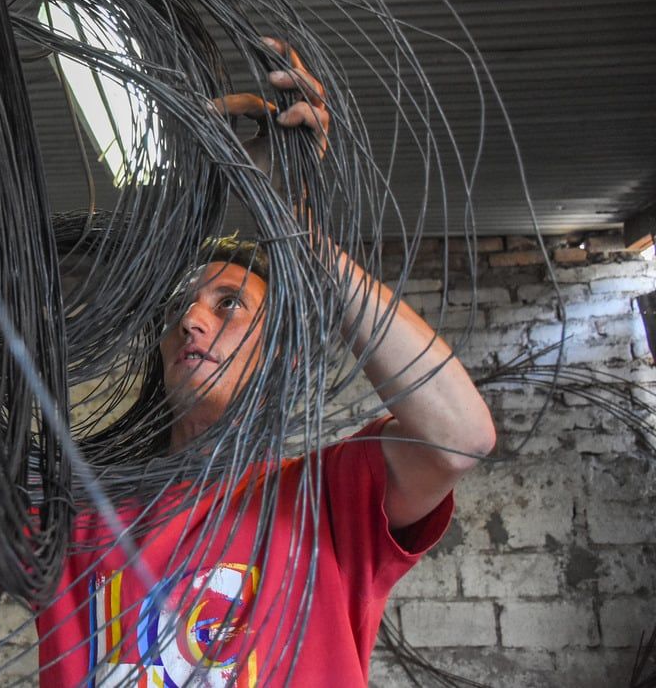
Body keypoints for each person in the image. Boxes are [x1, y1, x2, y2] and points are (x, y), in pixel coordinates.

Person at [34, 40, 496, 686]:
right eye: (180, 311)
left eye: (228, 306)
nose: (191, 321)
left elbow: (460, 440)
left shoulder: (327, 498)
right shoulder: (80, 513)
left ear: (284, 351)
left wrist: (291, 218)